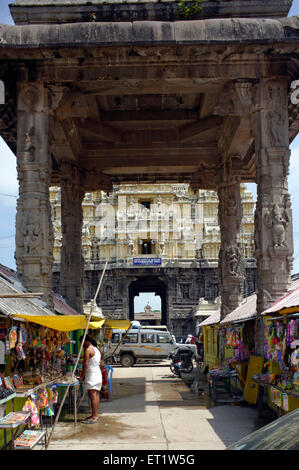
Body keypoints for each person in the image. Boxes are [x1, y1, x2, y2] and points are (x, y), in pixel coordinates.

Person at [78, 334, 102, 424]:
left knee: (93, 396)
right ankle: (94, 415)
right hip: (96, 373)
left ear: (86, 341)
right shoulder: (95, 349)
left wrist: (81, 376)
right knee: (95, 396)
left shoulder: (88, 350)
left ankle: (94, 417)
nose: (81, 344)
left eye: (82, 342)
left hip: (92, 375)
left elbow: (85, 364)